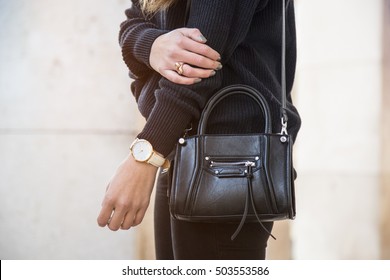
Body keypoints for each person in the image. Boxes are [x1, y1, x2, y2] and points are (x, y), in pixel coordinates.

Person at [97, 0, 301, 260]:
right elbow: (131, 24)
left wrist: (146, 155)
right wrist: (153, 46)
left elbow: (200, 63)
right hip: (181, 153)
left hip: (233, 163)